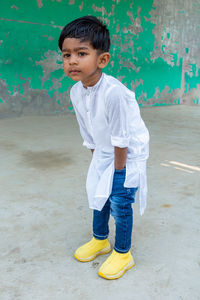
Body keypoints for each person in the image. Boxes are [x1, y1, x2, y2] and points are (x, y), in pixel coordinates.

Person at [58, 15, 149, 280]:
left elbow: (122, 138)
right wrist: (98, 164)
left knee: (120, 202)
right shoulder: (76, 91)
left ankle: (123, 253)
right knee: (98, 195)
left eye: (81, 53)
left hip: (127, 155)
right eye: (66, 55)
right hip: (104, 152)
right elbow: (88, 132)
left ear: (102, 60)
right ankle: (100, 240)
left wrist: (118, 173)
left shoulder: (114, 93)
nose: (72, 61)